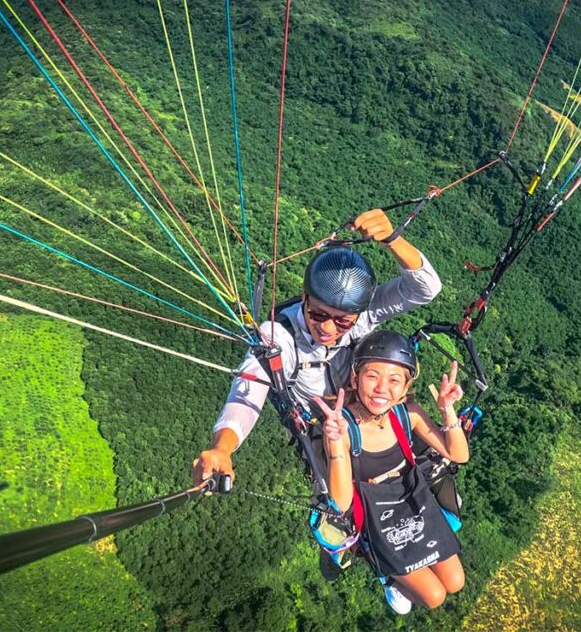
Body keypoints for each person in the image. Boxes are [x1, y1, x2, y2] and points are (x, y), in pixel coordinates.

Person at [191, 209, 442, 485]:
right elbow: (247, 392)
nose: (327, 329)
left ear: (358, 313)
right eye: (318, 314)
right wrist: (222, 447)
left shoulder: (364, 313)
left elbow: (425, 289)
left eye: (343, 322)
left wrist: (393, 239)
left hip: (362, 411)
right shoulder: (278, 337)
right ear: (304, 298)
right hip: (324, 432)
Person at [315, 330, 468, 614]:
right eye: (372, 376)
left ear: (405, 386)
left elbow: (458, 454)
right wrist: (335, 445)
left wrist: (448, 411)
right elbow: (342, 502)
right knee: (434, 596)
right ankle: (387, 576)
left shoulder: (406, 413)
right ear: (354, 378)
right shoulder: (343, 427)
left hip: (412, 497)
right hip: (374, 510)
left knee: (456, 581)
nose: (382, 388)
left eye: (394, 380)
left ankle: (396, 572)